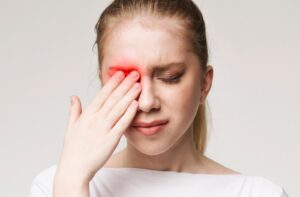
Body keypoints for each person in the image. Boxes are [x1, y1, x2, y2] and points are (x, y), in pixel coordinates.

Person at [30, 0, 289, 196]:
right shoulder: (55, 184)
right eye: (127, 79)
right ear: (103, 83)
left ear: (204, 83)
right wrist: (71, 183)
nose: (146, 102)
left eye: (170, 77)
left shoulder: (257, 193)